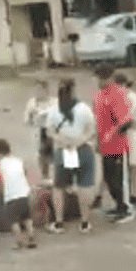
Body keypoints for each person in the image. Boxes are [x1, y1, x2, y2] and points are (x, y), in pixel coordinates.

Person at [45, 78, 97, 234]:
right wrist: (79, 140)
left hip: (63, 150)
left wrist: (63, 140)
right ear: (73, 90)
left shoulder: (54, 110)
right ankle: (85, 222)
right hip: (83, 149)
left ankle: (59, 222)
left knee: (59, 187)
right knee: (84, 185)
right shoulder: (83, 109)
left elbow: (50, 131)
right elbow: (92, 129)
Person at [92, 62, 136, 224]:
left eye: (102, 78)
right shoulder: (99, 96)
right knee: (109, 178)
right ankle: (118, 205)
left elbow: (126, 120)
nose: (99, 82)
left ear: (109, 78)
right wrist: (98, 140)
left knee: (119, 178)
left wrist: (113, 132)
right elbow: (98, 121)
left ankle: (125, 207)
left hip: (117, 145)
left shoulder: (117, 94)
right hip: (105, 146)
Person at [0, 138, 37, 250]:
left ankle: (19, 241)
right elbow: (24, 173)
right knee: (27, 218)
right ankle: (31, 237)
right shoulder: (18, 161)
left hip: (12, 197)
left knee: (13, 221)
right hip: (24, 194)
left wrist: (1, 193)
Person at [115, 73, 136, 210]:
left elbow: (130, 118)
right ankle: (130, 194)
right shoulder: (126, 97)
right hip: (126, 132)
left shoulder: (130, 97)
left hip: (129, 132)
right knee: (128, 165)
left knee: (132, 164)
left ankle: (133, 194)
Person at [22, 78, 54, 182]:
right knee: (42, 156)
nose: (37, 92)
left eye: (40, 89)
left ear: (46, 90)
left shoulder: (54, 102)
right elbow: (26, 120)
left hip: (53, 132)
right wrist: (32, 115)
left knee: (57, 156)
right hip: (39, 132)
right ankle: (45, 177)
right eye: (36, 90)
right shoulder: (32, 103)